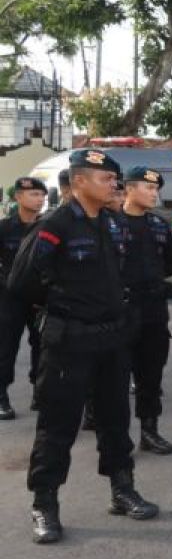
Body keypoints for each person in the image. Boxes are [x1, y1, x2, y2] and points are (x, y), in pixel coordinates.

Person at [11, 149, 158, 544]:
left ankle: (122, 490)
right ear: (78, 182)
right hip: (69, 340)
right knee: (57, 427)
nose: (114, 184)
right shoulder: (54, 224)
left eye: (114, 179)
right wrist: (64, 305)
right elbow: (22, 282)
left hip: (111, 338)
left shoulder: (112, 223)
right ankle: (45, 504)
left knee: (115, 420)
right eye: (105, 178)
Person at [120, 167, 172, 455]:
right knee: (115, 377)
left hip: (154, 310)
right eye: (148, 188)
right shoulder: (110, 223)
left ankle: (149, 430)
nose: (154, 193)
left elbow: (171, 263)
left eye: (156, 189)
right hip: (119, 311)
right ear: (129, 189)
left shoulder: (159, 225)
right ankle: (116, 435)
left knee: (151, 375)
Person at [0, 177, 46, 420]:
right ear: (18, 197)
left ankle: (40, 391)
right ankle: (1, 396)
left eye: (41, 195)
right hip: (10, 299)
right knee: (6, 348)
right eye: (33, 195)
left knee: (42, 346)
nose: (38, 199)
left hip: (39, 298)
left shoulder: (47, 226)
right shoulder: (5, 228)